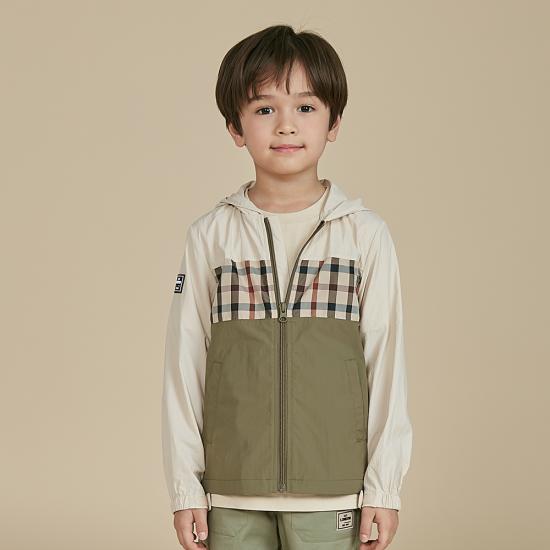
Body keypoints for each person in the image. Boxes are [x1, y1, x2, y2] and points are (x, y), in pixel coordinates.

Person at [161, 24, 413, 550]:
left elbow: (386, 365)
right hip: (232, 493)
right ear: (236, 127)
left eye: (305, 107)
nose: (285, 125)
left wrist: (384, 488)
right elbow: (184, 367)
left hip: (334, 494)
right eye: (264, 109)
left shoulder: (363, 236)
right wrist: (186, 488)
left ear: (333, 122)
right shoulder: (211, 236)